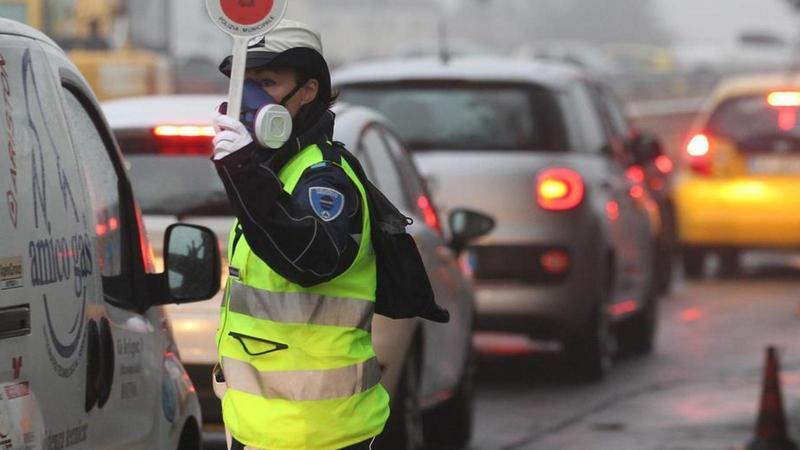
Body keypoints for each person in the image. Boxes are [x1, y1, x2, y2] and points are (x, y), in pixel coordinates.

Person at [210, 20, 389, 450]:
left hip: (318, 432)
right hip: (265, 427)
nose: (250, 97)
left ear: (307, 92)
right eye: (245, 83)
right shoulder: (279, 172)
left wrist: (244, 174)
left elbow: (307, 260)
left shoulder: (322, 178)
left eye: (267, 82)